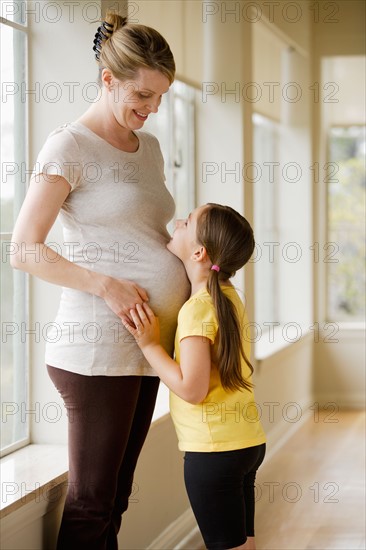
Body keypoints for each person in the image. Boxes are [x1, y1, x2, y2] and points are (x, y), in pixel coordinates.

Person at [11, 11, 190, 550]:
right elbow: (23, 249)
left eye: (159, 98)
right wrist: (106, 285)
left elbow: (142, 233)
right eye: (141, 96)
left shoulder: (150, 149)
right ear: (107, 80)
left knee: (117, 495)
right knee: (92, 500)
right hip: (95, 346)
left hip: (144, 343)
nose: (151, 109)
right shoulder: (67, 147)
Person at [123, 203, 266, 550]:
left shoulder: (198, 309)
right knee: (240, 544)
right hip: (247, 442)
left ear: (199, 252)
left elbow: (192, 388)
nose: (176, 222)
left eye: (186, 222)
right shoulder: (230, 298)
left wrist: (149, 345)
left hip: (214, 452)